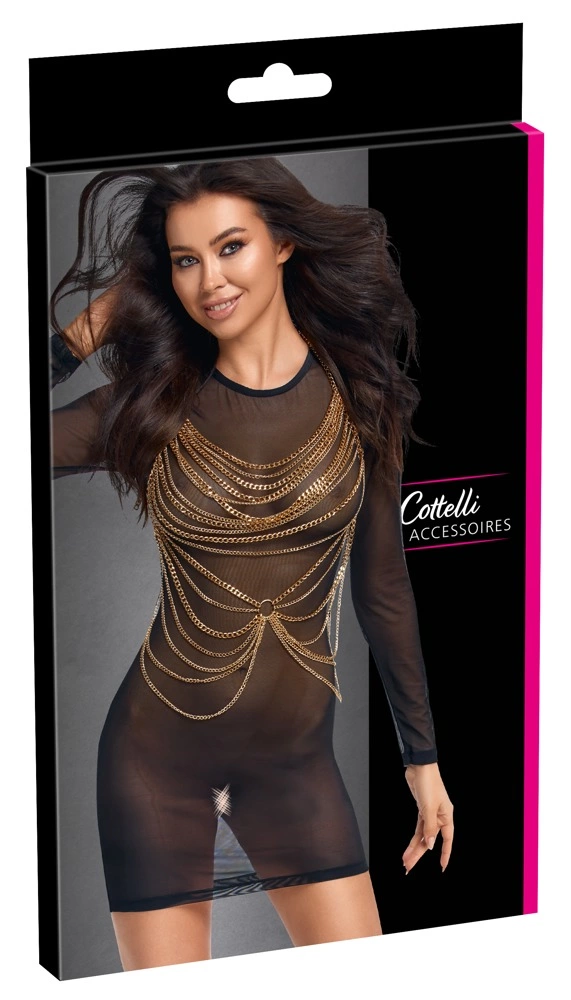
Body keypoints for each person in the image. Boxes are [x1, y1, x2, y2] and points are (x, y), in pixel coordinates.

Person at [48, 156, 454, 972]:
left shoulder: (361, 396)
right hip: (154, 764)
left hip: (296, 769)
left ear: (283, 244)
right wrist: (97, 322)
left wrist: (422, 758)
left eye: (230, 247)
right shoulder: (145, 408)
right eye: (184, 260)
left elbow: (382, 588)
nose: (209, 281)